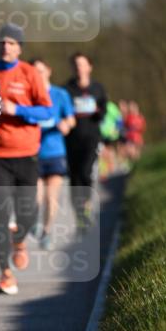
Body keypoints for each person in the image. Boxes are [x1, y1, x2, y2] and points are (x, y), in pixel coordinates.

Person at [0, 24, 53, 295]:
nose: (6, 47)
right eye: (2, 42)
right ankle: (5, 274)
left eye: (12, 43)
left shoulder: (30, 73)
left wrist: (19, 110)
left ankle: (20, 239)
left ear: (20, 47)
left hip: (26, 155)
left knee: (28, 213)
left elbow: (47, 112)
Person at [29, 59, 76, 249]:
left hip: (55, 152)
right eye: (34, 72)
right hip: (33, 152)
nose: (38, 75)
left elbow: (71, 119)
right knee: (35, 197)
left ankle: (47, 232)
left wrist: (67, 125)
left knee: (51, 197)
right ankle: (33, 222)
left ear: (48, 71)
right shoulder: (29, 94)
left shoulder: (60, 94)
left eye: (41, 71)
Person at [65, 53, 107, 231]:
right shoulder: (67, 89)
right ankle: (80, 216)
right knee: (74, 179)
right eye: (76, 65)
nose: (79, 68)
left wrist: (97, 110)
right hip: (71, 140)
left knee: (85, 173)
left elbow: (104, 110)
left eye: (82, 64)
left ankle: (86, 207)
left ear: (89, 67)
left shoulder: (98, 88)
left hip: (91, 138)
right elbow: (61, 110)